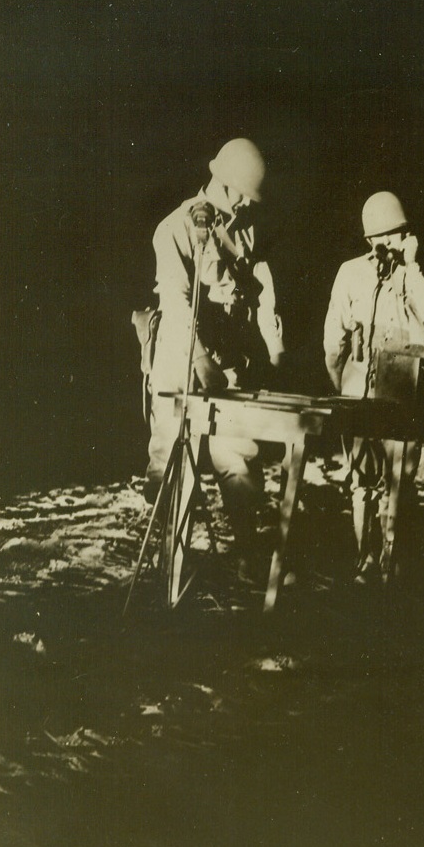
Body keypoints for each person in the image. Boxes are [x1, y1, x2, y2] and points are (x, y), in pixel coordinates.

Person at [145, 138, 284, 577]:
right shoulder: (176, 228)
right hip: (179, 360)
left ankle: (248, 557)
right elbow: (177, 301)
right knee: (174, 468)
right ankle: (172, 567)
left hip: (226, 363)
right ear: (219, 183)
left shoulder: (244, 227)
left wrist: (264, 351)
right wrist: (200, 360)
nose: (246, 202)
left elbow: (251, 290)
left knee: (240, 459)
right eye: (241, 192)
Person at [323, 191, 424, 584]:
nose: (388, 244)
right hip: (359, 391)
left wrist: (411, 267)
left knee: (399, 481)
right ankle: (364, 561)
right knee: (361, 481)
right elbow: (334, 338)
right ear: (369, 241)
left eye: (397, 235)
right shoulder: (350, 273)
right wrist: (339, 385)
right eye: (381, 238)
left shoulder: (417, 272)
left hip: (402, 392)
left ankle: (393, 564)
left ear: (407, 236)